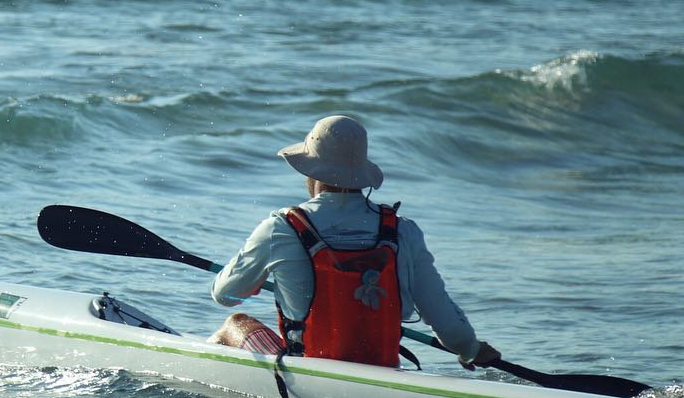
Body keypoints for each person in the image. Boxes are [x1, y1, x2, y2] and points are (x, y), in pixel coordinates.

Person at [209, 114, 500, 370]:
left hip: (309, 376)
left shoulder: (281, 227)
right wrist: (470, 350)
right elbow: (447, 324)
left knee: (235, 323)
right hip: (381, 373)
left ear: (310, 171)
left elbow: (225, 296)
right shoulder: (402, 231)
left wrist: (253, 283)